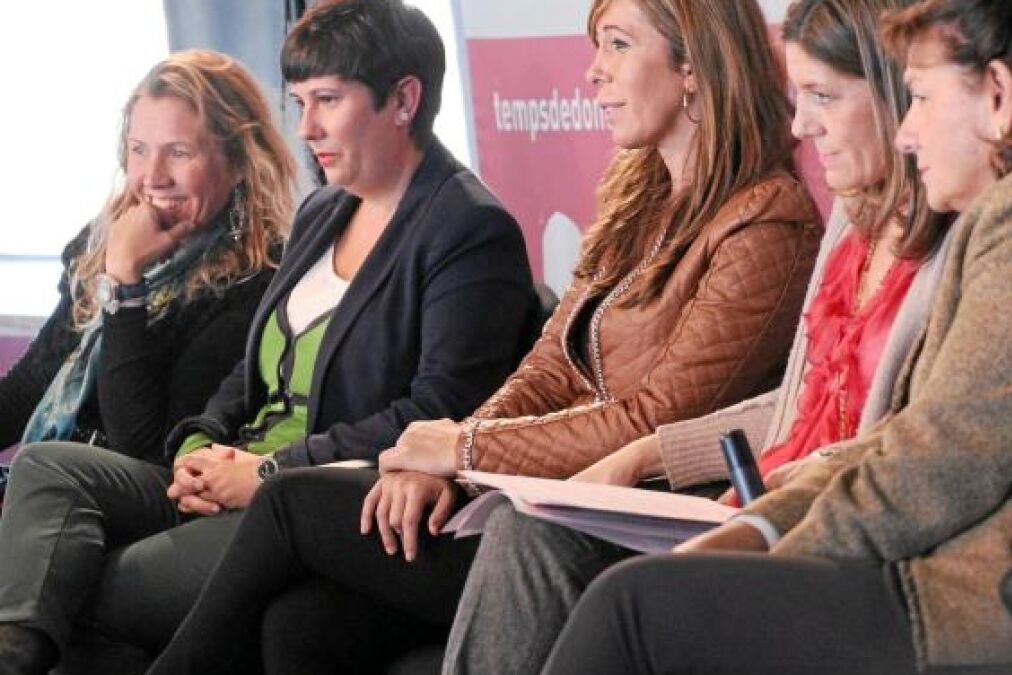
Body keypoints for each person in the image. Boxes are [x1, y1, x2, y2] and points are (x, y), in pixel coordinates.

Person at [148, 0, 821, 672]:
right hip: (545, 494)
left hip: (631, 521)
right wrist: (455, 464)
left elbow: (656, 416)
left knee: (289, 502)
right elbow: (547, 368)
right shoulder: (638, 201)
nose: (593, 71)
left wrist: (463, 450)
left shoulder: (766, 222)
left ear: (693, 66)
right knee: (301, 625)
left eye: (617, 45)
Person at [542, 0, 1012, 672]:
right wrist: (757, 529)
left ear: (999, 95)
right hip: (993, 581)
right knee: (644, 596)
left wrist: (772, 557)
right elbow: (915, 435)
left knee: (637, 607)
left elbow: (948, 451)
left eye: (920, 98)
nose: (906, 132)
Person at [0, 2, 541, 672]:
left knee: (84, 586)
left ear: (403, 100)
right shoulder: (325, 209)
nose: (307, 126)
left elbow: (439, 409)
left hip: (311, 494)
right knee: (47, 465)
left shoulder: (466, 227)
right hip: (232, 469)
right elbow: (251, 370)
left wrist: (263, 471)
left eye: (327, 101)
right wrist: (200, 443)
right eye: (300, 102)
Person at [439, 1, 956, 672]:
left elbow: (904, 439)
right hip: (763, 503)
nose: (801, 124)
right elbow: (796, 404)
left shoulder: (778, 217)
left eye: (823, 96)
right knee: (328, 580)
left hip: (823, 529)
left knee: (551, 550)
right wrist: (461, 450)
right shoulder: (847, 217)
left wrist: (464, 448)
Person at [0, 48, 291, 478]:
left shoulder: (260, 278)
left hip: (136, 490)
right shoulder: (101, 241)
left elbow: (141, 445)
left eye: (179, 152)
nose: (153, 176)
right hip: (50, 475)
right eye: (139, 150)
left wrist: (124, 284)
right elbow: (32, 382)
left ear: (238, 164)